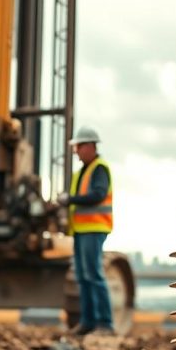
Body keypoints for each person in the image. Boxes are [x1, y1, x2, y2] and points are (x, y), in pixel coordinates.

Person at [58, 127, 114, 335]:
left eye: (79, 146)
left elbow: (98, 195)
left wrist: (69, 199)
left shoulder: (99, 169)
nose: (76, 151)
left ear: (91, 146)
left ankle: (105, 324)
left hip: (94, 228)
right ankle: (88, 322)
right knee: (83, 276)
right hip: (81, 230)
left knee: (94, 275)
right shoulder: (82, 172)